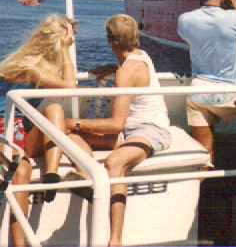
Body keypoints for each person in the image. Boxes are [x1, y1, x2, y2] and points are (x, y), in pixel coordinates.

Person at [65, 14, 171, 247]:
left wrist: (76, 122)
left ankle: (115, 240)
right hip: (130, 130)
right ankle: (85, 175)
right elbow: (129, 71)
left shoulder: (127, 71)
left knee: (113, 163)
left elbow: (115, 124)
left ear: (110, 41)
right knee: (69, 137)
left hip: (151, 130)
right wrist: (113, 68)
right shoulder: (139, 58)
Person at [0, 14, 77, 247]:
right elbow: (69, 87)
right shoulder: (29, 67)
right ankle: (20, 244)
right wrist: (66, 51)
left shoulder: (35, 65)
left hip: (21, 131)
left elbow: (65, 91)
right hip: (1, 131)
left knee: (55, 110)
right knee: (21, 172)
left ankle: (51, 176)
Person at [177, 0, 236, 163]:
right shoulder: (234, 17)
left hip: (197, 95)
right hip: (228, 98)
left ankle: (198, 188)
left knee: (204, 154)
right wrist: (235, 2)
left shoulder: (185, 20)